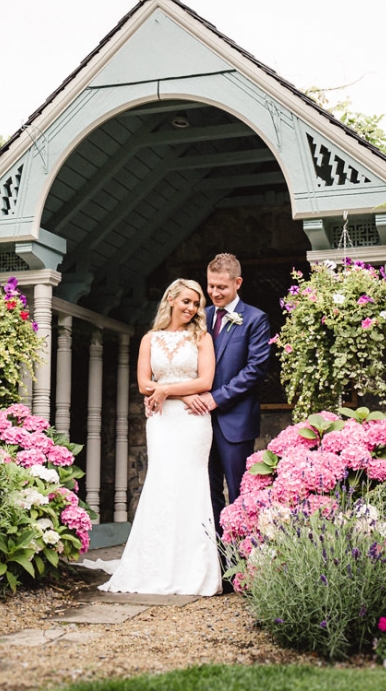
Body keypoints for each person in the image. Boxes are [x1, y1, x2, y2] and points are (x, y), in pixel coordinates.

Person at [99, 278, 221, 596]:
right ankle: (155, 564)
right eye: (187, 301)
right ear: (170, 300)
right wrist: (177, 393)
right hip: (162, 420)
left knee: (191, 485)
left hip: (193, 421)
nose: (192, 308)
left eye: (196, 303)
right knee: (162, 483)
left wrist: (166, 389)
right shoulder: (150, 339)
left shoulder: (202, 338)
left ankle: (193, 569)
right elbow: (143, 384)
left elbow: (206, 381)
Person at [183, 254, 271, 540]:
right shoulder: (200, 319)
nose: (214, 293)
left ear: (238, 283)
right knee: (206, 494)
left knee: (238, 494)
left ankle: (241, 564)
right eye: (211, 286)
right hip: (199, 421)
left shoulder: (256, 319)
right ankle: (215, 562)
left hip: (235, 422)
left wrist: (216, 398)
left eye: (222, 287)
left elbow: (255, 370)